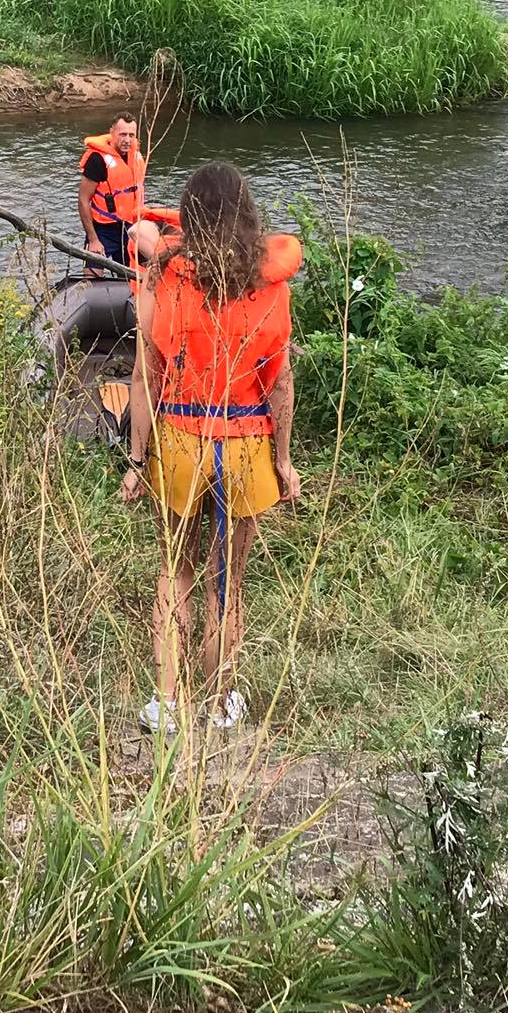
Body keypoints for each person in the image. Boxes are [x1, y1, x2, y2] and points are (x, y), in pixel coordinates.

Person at [120, 161, 301, 733]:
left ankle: (168, 705)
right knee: (229, 579)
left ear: (189, 215)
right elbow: (280, 383)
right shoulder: (271, 286)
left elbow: (146, 375)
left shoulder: (164, 278)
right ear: (248, 214)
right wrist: (283, 460)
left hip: (179, 443)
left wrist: (136, 460)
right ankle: (221, 701)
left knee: (175, 571)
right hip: (244, 445)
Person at [78, 115, 146, 265]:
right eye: (122, 134)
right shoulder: (97, 160)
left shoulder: (136, 157)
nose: (127, 140)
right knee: (92, 273)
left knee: (133, 273)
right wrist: (93, 239)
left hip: (130, 227)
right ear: (112, 132)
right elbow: (83, 200)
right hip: (103, 229)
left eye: (131, 135)